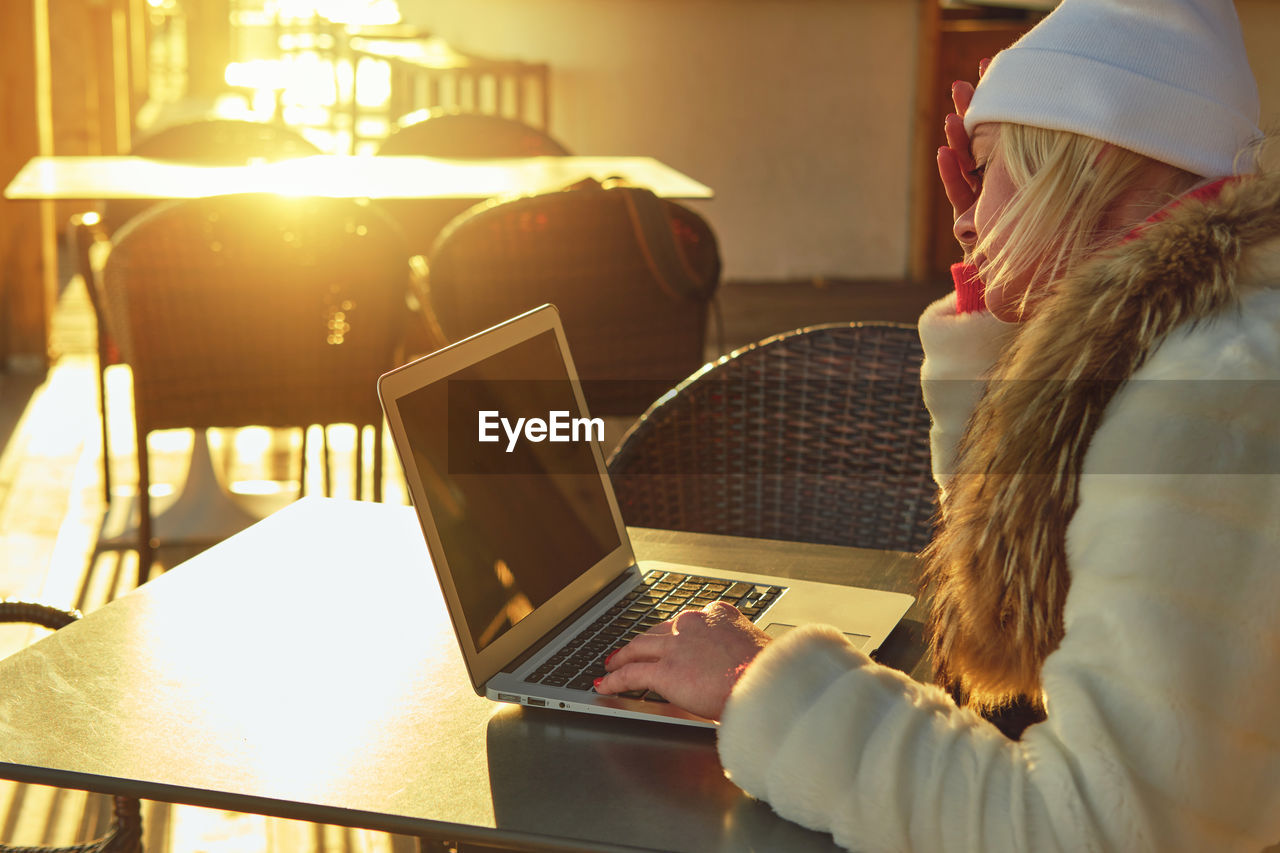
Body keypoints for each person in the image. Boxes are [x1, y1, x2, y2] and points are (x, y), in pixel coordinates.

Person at [595, 0, 1280, 849]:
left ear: (1079, 167)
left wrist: (756, 685)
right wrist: (1001, 317)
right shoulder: (1205, 333)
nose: (962, 213)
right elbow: (1028, 624)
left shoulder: (1209, 404)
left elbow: (1085, 830)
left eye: (989, 169)